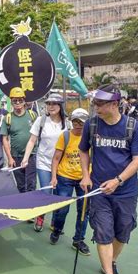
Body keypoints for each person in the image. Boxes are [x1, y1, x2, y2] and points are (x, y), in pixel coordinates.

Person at [79, 84, 138, 274]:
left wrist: (118, 180)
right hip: (99, 191)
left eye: (100, 103)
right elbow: (83, 150)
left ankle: (112, 260)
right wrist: (85, 175)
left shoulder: (133, 126)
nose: (95, 107)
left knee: (123, 230)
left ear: (114, 104)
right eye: (94, 103)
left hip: (126, 191)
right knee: (103, 231)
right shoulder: (91, 125)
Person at [22, 93, 71, 232]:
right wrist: (26, 158)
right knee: (46, 191)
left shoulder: (68, 123)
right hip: (43, 161)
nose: (51, 106)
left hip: (62, 164)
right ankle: (40, 216)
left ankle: (55, 222)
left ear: (60, 106)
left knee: (59, 193)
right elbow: (32, 140)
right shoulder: (41, 120)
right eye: (48, 104)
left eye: (54, 104)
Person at [49, 108, 90, 255]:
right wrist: (54, 177)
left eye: (82, 122)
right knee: (62, 209)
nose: (78, 125)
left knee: (84, 211)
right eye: (75, 122)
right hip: (65, 177)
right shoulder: (65, 136)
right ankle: (57, 230)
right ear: (71, 122)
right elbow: (56, 158)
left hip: (84, 179)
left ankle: (78, 239)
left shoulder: (90, 138)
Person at [0, 87, 37, 194]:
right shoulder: (8, 118)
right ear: (11, 102)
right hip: (16, 156)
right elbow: (5, 139)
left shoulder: (32, 115)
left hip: (31, 155)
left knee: (31, 185)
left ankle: (32, 208)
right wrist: (10, 158)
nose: (17, 103)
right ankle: (23, 208)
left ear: (24, 101)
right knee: (21, 186)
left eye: (20, 100)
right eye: (15, 100)